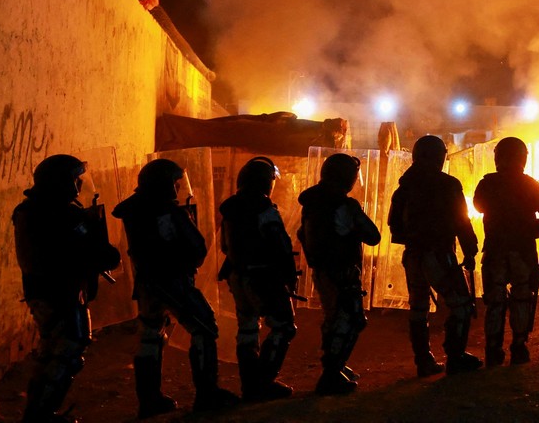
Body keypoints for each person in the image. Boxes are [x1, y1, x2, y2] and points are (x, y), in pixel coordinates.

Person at [113, 158, 240, 417]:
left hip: (148, 281)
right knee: (204, 327)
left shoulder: (136, 209)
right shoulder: (164, 212)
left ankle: (149, 400)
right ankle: (207, 394)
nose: (177, 188)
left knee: (151, 335)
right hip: (171, 280)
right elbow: (191, 246)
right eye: (174, 183)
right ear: (163, 184)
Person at [13, 154, 121, 423]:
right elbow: (101, 254)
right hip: (63, 292)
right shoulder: (63, 214)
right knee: (69, 350)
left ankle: (37, 413)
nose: (79, 184)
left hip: (41, 292)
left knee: (51, 352)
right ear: (61, 181)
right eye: (75, 179)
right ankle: (41, 414)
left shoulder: (29, 209)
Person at [388, 136, 482, 376]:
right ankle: (456, 356)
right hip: (439, 254)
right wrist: (470, 249)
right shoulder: (448, 185)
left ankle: (424, 362)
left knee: (418, 308)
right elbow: (462, 221)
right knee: (460, 305)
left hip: (413, 256)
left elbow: (394, 227)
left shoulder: (404, 188)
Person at [472, 137, 539, 366]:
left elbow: (479, 205)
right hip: (523, 251)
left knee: (495, 301)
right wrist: (528, 231)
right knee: (522, 297)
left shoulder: (487, 184)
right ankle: (519, 347)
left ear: (498, 157)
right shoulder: (533, 185)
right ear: (523, 158)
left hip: (495, 250)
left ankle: (493, 350)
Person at [298, 152, 382, 393]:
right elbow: (373, 236)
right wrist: (352, 229)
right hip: (342, 271)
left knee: (333, 318)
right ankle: (331, 373)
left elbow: (302, 235)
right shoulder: (345, 205)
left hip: (322, 270)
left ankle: (336, 366)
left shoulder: (312, 203)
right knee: (351, 320)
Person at [218, 156, 298, 401]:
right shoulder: (264, 209)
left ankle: (249, 385)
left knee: (248, 328)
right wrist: (289, 275)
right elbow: (281, 245)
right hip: (263, 276)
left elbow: (225, 246)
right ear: (266, 183)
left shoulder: (231, 208)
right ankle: (262, 383)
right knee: (284, 327)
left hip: (238, 275)